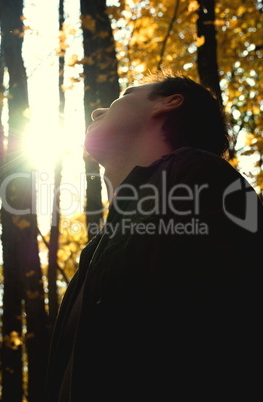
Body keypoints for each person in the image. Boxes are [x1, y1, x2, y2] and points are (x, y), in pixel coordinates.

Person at [45, 70, 263, 401]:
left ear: (169, 103)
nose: (96, 111)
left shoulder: (202, 177)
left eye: (123, 96)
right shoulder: (98, 248)